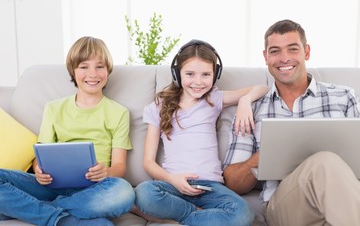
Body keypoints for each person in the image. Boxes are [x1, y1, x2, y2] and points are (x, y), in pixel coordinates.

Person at [223, 19, 360, 226]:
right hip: (285, 207)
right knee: (324, 162)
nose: (284, 58)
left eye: (292, 49)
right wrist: (262, 157)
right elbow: (233, 182)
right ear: (266, 57)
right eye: (275, 51)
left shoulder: (344, 97)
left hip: (342, 200)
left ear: (306, 52)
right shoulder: (252, 110)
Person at [0, 36, 135, 226]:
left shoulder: (118, 112)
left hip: (93, 190)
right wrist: (38, 170)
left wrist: (106, 172)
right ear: (73, 70)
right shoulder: (53, 108)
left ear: (108, 70)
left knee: (123, 192)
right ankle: (63, 219)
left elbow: (120, 167)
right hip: (51, 186)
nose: (93, 74)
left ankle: (34, 209)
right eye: (84, 66)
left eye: (100, 66)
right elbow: (40, 156)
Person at [134, 39, 270, 226]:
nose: (198, 82)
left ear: (215, 75)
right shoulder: (158, 107)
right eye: (190, 74)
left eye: (206, 74)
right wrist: (172, 179)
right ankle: (198, 216)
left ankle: (182, 218)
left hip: (210, 186)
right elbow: (148, 162)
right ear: (177, 73)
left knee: (244, 213)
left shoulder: (213, 98)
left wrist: (245, 101)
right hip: (173, 184)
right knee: (144, 193)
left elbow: (262, 88)